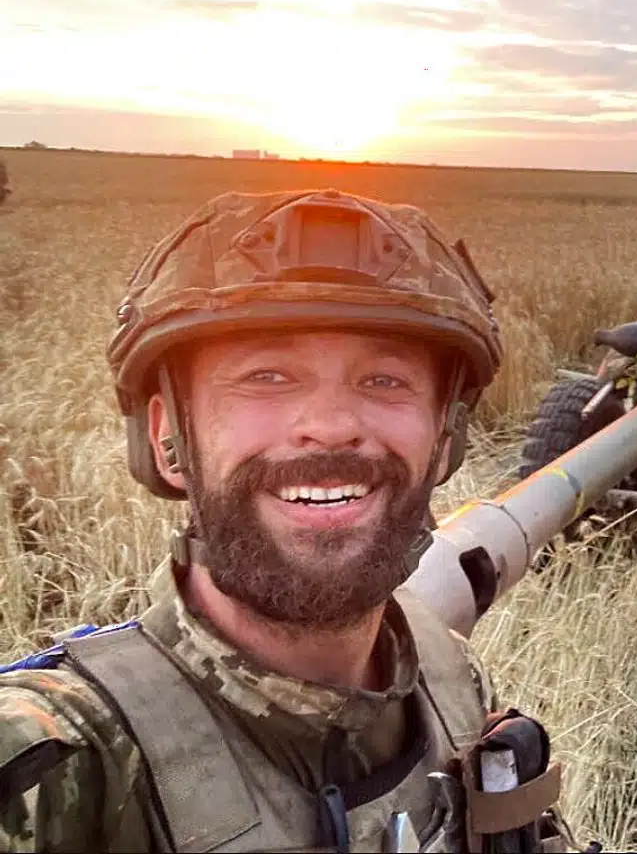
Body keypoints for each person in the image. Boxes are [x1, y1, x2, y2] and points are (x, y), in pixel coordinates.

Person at [0, 188, 585, 852]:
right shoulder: (56, 766)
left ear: (443, 436)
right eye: (268, 376)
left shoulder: (450, 681)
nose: (332, 427)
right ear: (168, 436)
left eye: (385, 381)